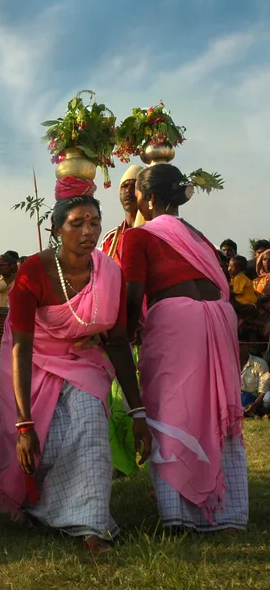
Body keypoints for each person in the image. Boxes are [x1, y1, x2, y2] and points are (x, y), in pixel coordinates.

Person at [0, 187, 151, 554]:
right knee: (46, 441)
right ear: (56, 228)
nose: (88, 231)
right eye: (77, 223)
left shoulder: (109, 272)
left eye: (95, 222)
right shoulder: (33, 270)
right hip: (32, 363)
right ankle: (43, 507)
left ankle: (91, 523)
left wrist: (137, 410)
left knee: (90, 423)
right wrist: (24, 423)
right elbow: (21, 345)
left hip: (85, 364)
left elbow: (118, 342)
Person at [121, 163, 249, 532]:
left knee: (170, 409)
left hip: (178, 321)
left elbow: (133, 292)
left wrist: (126, 335)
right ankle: (228, 513)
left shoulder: (139, 235)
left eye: (139, 195)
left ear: (152, 199)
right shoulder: (200, 237)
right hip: (219, 319)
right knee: (213, 410)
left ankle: (179, 514)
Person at [102, 165, 143, 264]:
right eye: (124, 186)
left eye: (134, 186)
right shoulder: (110, 238)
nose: (128, 191)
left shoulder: (154, 234)